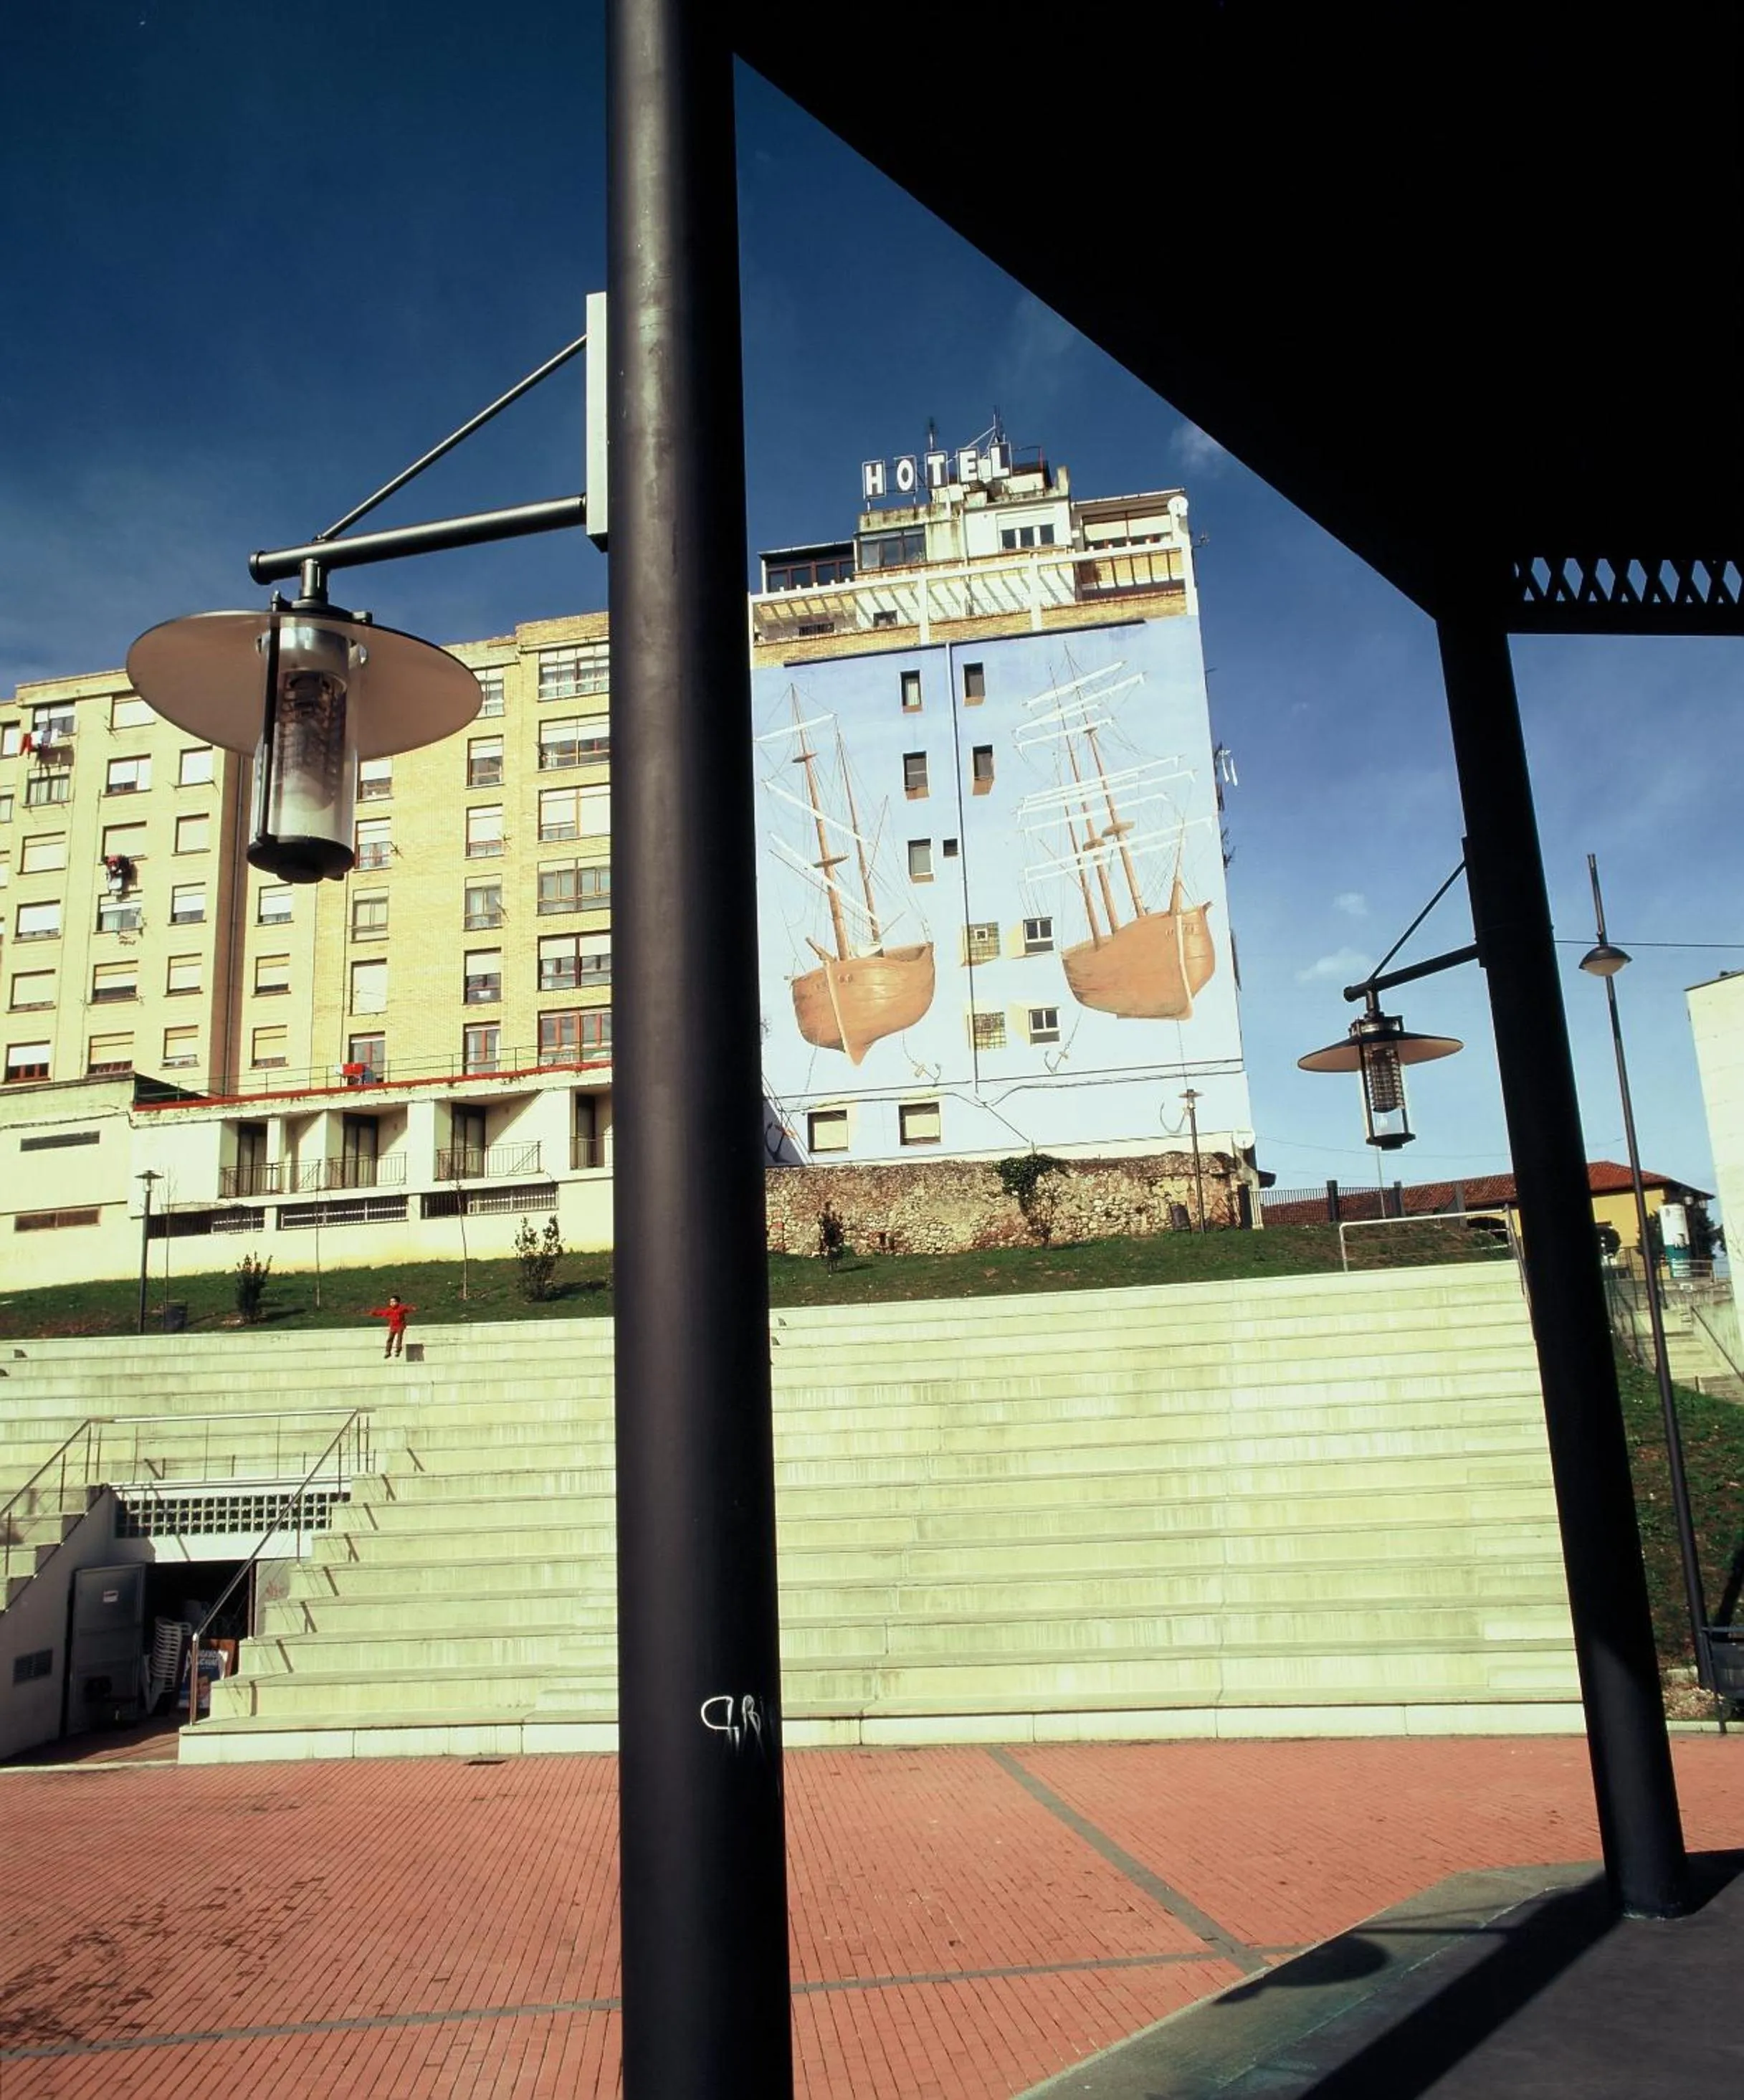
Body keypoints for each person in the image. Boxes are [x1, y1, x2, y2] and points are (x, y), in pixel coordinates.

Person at [366, 1293, 415, 1359]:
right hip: (393, 1327)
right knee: (390, 1339)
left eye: (394, 1302)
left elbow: (407, 1309)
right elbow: (381, 1313)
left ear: (398, 1302)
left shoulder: (401, 1308)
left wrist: (412, 1308)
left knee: (399, 1338)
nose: (392, 1303)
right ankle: (388, 1351)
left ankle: (398, 1350)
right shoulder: (389, 1310)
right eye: (391, 1302)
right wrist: (374, 1313)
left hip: (400, 1326)